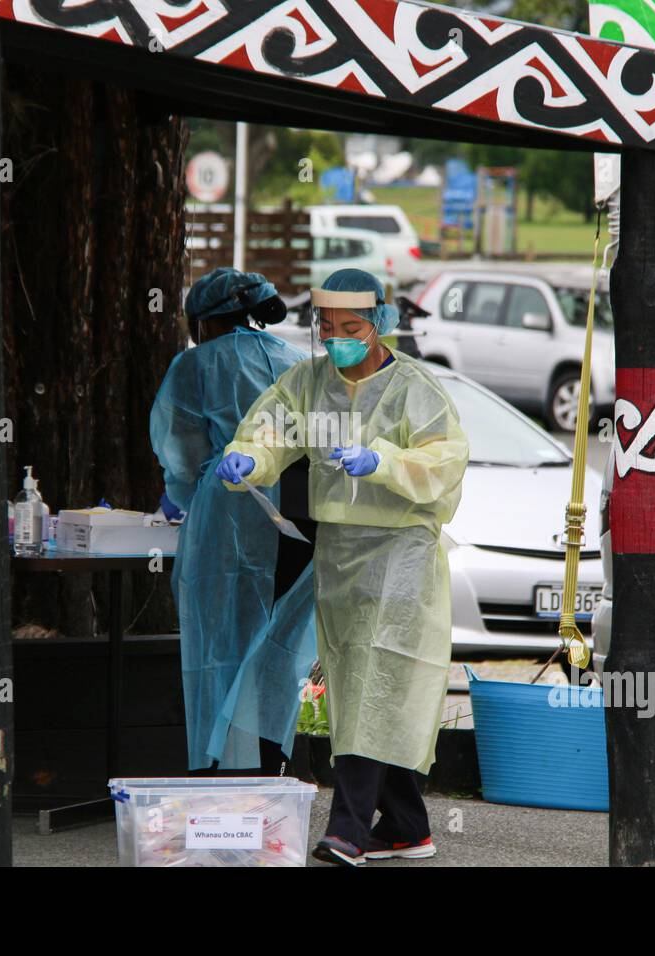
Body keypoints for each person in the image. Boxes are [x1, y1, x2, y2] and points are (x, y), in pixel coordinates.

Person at [215, 268, 469, 865]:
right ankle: (407, 825)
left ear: (379, 324)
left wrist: (380, 459)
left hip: (401, 552)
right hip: (340, 552)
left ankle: (348, 831)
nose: (336, 340)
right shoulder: (308, 382)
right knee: (361, 686)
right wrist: (245, 459)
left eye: (350, 328)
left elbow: (446, 462)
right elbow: (269, 429)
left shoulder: (415, 388)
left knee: (379, 679)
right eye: (326, 328)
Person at [149, 268, 317, 776]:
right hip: (299, 522)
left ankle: (217, 767)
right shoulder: (296, 361)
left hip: (229, 514)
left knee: (218, 645)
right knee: (274, 648)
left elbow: (179, 450)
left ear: (204, 321)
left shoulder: (196, 365)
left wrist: (181, 496)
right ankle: (270, 766)